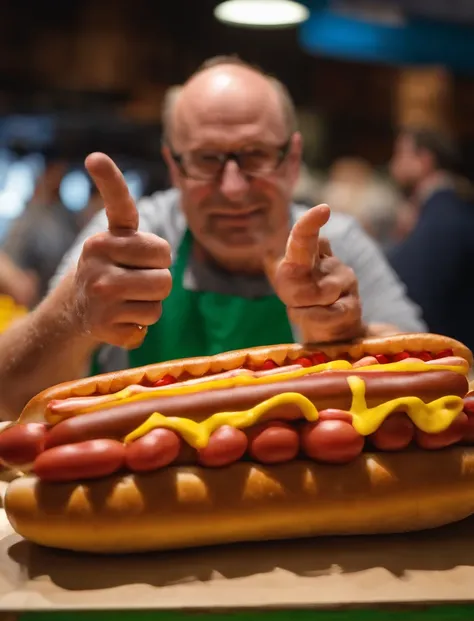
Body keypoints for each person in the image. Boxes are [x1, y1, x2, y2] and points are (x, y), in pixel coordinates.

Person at [0, 56, 424, 420]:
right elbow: (8, 400)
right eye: (206, 159)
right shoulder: (131, 239)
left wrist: (352, 334)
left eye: (256, 154)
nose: (234, 188)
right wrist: (72, 315)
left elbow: (436, 378)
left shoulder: (335, 240)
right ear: (173, 165)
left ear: (292, 160)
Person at [388, 127, 474, 352]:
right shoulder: (453, 207)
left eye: (400, 155)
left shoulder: (442, 219)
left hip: (452, 358)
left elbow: (414, 294)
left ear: (424, 160)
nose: (393, 165)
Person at [0, 148, 80, 304]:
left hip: (61, 293)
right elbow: (13, 261)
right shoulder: (28, 216)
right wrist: (17, 278)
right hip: (34, 299)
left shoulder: (65, 215)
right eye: (56, 172)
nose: (58, 178)